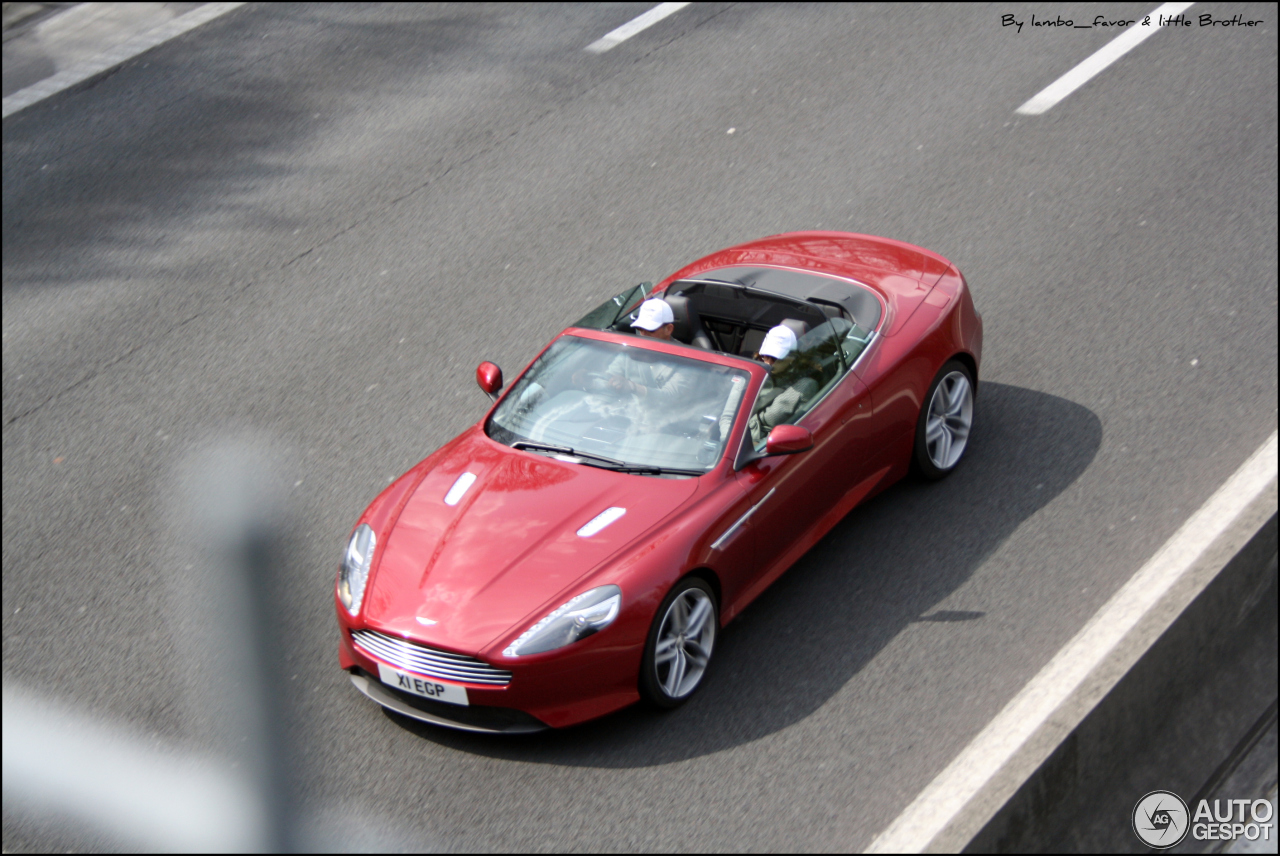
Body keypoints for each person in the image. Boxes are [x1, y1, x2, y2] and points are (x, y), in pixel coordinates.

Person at [747, 324, 819, 446]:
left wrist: (757, 447)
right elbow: (729, 415)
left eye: (775, 359)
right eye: (765, 356)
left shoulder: (805, 386)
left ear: (792, 358)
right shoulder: (750, 373)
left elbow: (796, 429)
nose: (769, 363)